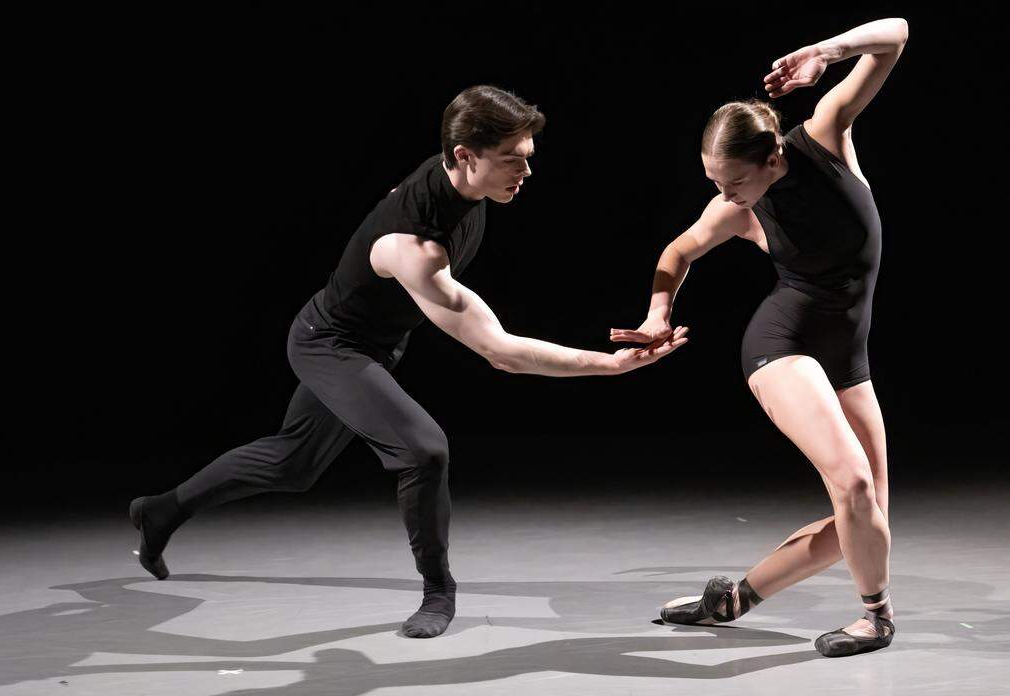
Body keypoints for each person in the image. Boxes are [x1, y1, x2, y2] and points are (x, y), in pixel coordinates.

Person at [132, 85, 689, 639]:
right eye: (512, 161)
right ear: (465, 157)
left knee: (292, 464)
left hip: (376, 342)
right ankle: (438, 589)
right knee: (423, 450)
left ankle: (160, 511)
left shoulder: (459, 179)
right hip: (330, 344)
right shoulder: (414, 248)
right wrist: (610, 366)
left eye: (528, 159)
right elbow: (501, 352)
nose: (525, 172)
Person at [612, 18, 908, 656]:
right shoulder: (737, 209)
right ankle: (876, 618)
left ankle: (734, 599)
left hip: (847, 354)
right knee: (853, 487)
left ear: (772, 158)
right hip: (783, 343)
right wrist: (659, 310)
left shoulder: (825, 137)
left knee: (868, 518)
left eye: (733, 181)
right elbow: (679, 250)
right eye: (713, 180)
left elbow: (897, 34)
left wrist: (824, 53)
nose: (722, 194)